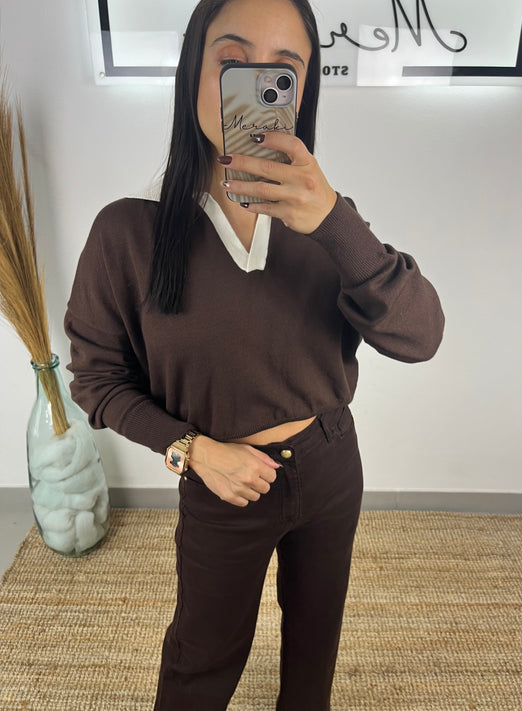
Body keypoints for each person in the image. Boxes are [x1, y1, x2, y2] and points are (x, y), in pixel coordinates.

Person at [64, 0, 445, 709]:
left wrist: (335, 223)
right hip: (221, 480)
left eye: (283, 71)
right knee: (200, 661)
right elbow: (97, 377)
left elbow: (420, 336)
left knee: (314, 650)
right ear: (193, 70)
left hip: (331, 464)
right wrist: (192, 450)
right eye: (233, 61)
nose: (257, 84)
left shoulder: (331, 224)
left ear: (302, 93)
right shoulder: (128, 231)